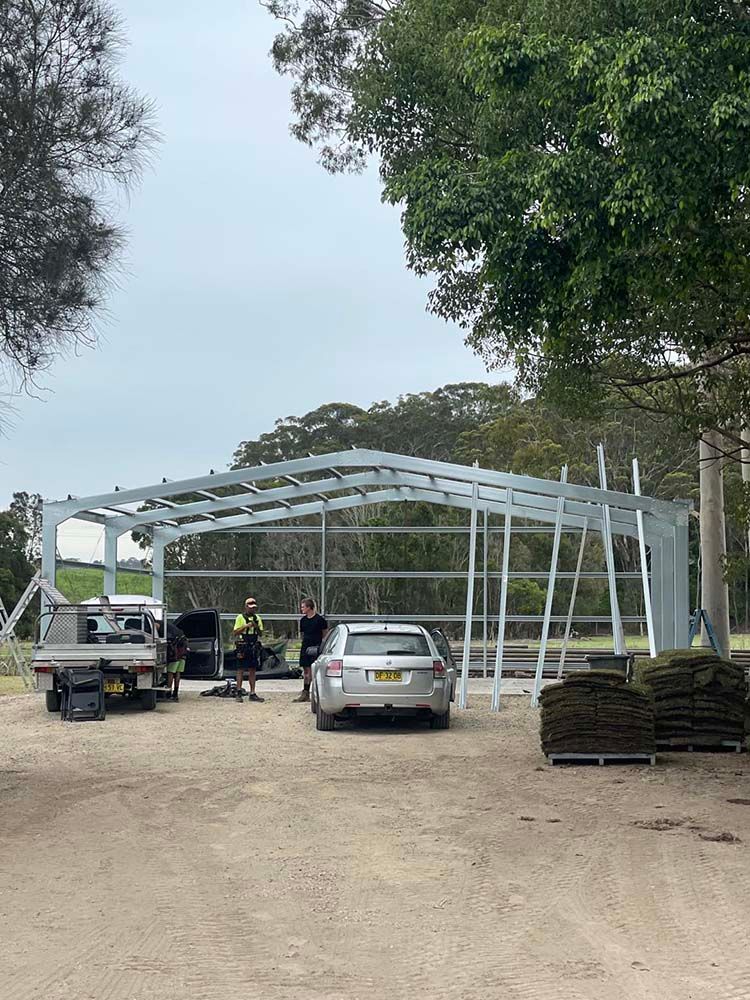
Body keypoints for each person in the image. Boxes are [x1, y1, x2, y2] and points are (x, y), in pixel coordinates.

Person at [294, 598, 329, 702]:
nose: (301, 609)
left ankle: (316, 693)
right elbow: (303, 634)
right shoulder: (303, 620)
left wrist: (321, 646)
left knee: (314, 671)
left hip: (316, 647)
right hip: (306, 646)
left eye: (303, 607)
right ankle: (305, 693)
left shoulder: (320, 620)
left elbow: (325, 634)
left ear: (309, 607)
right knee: (306, 671)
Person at [233, 597, 265, 702]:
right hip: (243, 645)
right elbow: (235, 632)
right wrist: (246, 626)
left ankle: (252, 692)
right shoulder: (240, 618)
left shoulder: (258, 618)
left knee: (252, 669)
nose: (252, 610)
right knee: (240, 669)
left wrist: (255, 626)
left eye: (254, 608)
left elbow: (261, 633)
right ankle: (238, 692)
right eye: (250, 608)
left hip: (253, 645)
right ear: (246, 607)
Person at [165, 621, 188, 701]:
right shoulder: (177, 631)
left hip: (176, 653)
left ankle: (168, 693)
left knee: (170, 673)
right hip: (183, 652)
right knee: (178, 673)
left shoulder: (163, 626)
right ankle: (175, 693)